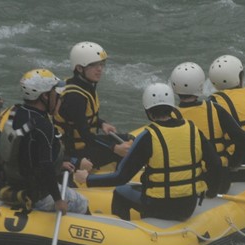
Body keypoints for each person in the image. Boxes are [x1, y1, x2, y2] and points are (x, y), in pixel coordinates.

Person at [74, 83, 222, 221]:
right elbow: (215, 164)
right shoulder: (193, 130)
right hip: (188, 206)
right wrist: (211, 192)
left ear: (148, 112)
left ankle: (126, 234)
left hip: (157, 207)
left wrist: (88, 179)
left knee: (120, 192)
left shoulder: (148, 136)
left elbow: (121, 178)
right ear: (172, 108)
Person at [0, 69, 90, 215]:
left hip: (13, 185)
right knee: (82, 203)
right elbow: (45, 165)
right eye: (55, 93)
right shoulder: (43, 126)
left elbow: (25, 150)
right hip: (37, 194)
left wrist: (60, 162)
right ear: (45, 96)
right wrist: (58, 200)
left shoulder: (16, 112)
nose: (58, 97)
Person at [169, 61, 245, 193]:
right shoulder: (215, 109)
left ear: (174, 87)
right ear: (201, 85)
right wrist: (234, 163)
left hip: (187, 182)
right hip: (219, 180)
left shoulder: (171, 116)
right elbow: (241, 136)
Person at [54, 41, 131, 169]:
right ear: (79, 68)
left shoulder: (84, 85)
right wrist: (114, 148)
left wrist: (102, 123)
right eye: (93, 65)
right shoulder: (75, 97)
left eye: (101, 64)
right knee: (122, 151)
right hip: (75, 153)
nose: (99, 69)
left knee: (129, 139)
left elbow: (81, 118)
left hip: (85, 145)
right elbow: (86, 136)